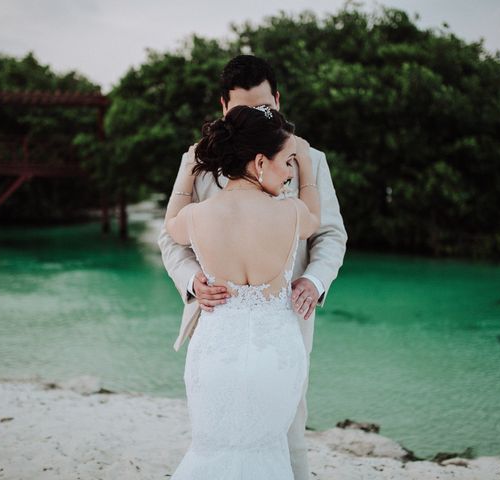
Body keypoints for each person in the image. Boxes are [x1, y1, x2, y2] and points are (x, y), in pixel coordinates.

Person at [157, 55, 347, 480]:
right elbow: (171, 236)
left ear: (278, 100)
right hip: (217, 319)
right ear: (224, 107)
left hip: (284, 320)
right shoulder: (199, 160)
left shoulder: (308, 157)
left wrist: (314, 282)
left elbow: (330, 235)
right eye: (243, 110)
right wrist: (192, 281)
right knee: (218, 433)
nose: (257, 117)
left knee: (289, 430)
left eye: (264, 108)